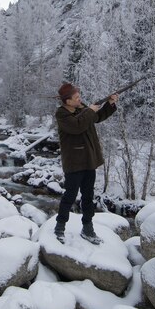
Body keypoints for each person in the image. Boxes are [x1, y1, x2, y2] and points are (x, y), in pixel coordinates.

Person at [53, 82, 118, 245]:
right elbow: (77, 126)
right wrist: (89, 110)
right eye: (76, 97)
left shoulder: (82, 109)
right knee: (69, 196)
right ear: (68, 101)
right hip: (74, 163)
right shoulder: (62, 115)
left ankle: (88, 229)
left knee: (88, 197)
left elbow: (96, 117)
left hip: (89, 160)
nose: (79, 98)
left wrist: (109, 104)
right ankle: (59, 228)